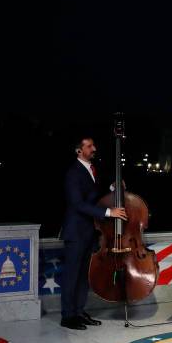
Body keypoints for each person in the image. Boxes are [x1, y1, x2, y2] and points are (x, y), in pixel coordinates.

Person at [60, 137, 127, 330]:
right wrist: (109, 212)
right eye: (89, 146)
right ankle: (67, 316)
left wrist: (112, 188)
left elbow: (93, 195)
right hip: (75, 232)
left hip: (89, 232)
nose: (94, 148)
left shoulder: (91, 170)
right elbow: (78, 203)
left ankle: (79, 312)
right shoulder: (73, 172)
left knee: (83, 276)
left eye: (93, 145)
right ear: (78, 151)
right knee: (71, 276)